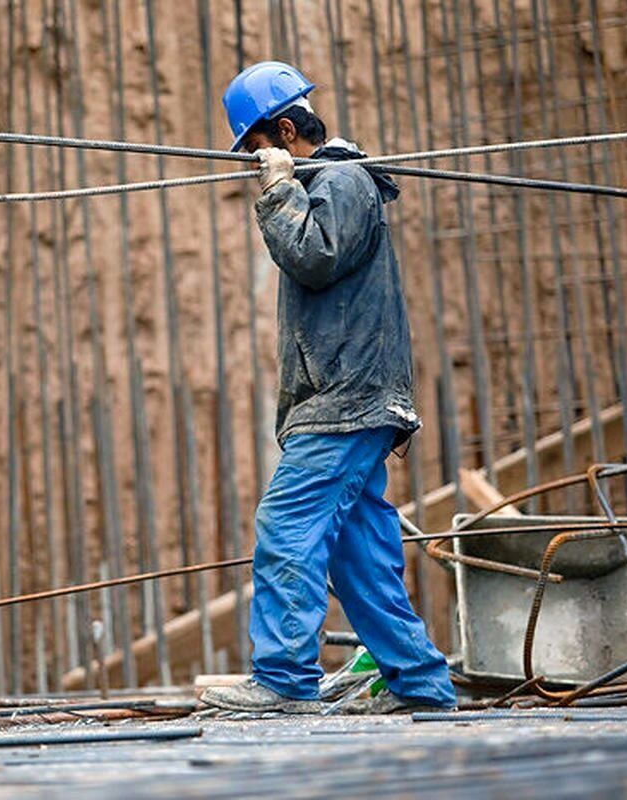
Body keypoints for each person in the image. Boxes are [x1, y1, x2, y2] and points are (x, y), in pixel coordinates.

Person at [201, 61, 456, 715]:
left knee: (287, 526)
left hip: (345, 399)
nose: (251, 165)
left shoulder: (341, 179)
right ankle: (420, 683)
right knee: (360, 553)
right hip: (353, 396)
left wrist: (280, 191)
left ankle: (283, 679)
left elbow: (312, 258)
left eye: (256, 149)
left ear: (285, 130)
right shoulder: (332, 181)